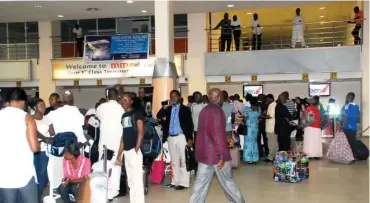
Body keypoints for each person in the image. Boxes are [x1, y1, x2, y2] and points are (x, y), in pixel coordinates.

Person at [189, 88, 245, 203]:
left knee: (199, 186)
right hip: (216, 155)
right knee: (228, 184)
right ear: (219, 98)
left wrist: (225, 138)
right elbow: (217, 134)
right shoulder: (218, 111)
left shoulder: (204, 111)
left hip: (204, 155)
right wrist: (221, 156)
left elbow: (207, 133)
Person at [0, 88, 40, 203]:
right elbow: (34, 148)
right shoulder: (26, 117)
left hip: (4, 172)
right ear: (22, 102)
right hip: (24, 171)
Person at [96, 88, 124, 199]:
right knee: (116, 168)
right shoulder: (121, 108)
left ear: (107, 96)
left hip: (104, 143)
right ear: (117, 96)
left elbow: (99, 117)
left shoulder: (101, 107)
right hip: (117, 143)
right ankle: (113, 192)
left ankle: (103, 191)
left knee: (103, 168)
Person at [117, 92, 145, 203]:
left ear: (131, 101)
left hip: (134, 151)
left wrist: (136, 149)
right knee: (131, 180)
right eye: (122, 100)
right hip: (127, 152)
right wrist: (120, 153)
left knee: (137, 180)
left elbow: (141, 132)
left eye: (126, 99)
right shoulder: (123, 116)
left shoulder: (136, 113)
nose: (124, 102)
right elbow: (124, 135)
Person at [163, 90, 193, 190]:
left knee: (185, 160)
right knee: (174, 161)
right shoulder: (168, 109)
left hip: (181, 137)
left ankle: (184, 183)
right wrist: (164, 107)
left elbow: (189, 124)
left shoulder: (185, 109)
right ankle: (175, 181)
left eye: (175, 96)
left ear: (179, 97)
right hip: (171, 137)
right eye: (171, 97)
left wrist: (189, 138)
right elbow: (159, 116)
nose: (173, 98)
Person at [32, 98, 56, 201]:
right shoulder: (30, 119)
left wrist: (51, 134)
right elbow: (34, 132)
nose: (43, 107)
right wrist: (45, 138)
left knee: (41, 175)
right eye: (40, 105)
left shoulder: (48, 119)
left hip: (43, 151)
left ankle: (38, 197)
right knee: (34, 175)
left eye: (44, 105)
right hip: (32, 150)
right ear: (34, 107)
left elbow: (52, 133)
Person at [337, 92, 360, 158]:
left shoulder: (346, 106)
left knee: (346, 143)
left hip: (346, 127)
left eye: (347, 97)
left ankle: (347, 156)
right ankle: (354, 156)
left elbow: (345, 117)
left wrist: (342, 127)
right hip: (354, 127)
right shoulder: (357, 106)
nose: (346, 98)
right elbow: (358, 117)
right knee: (353, 142)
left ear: (349, 98)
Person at [243, 98, 261, 164]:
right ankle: (254, 158)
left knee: (248, 143)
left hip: (249, 128)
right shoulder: (259, 109)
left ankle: (249, 159)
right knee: (254, 142)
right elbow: (258, 117)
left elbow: (245, 118)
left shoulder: (247, 109)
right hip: (255, 127)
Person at [264, 94, 277, 162]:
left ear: (270, 98)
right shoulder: (273, 105)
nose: (266, 100)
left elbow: (270, 116)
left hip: (271, 127)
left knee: (271, 143)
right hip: (272, 127)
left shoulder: (272, 105)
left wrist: (263, 116)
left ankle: (270, 157)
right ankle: (275, 156)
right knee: (274, 143)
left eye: (267, 99)